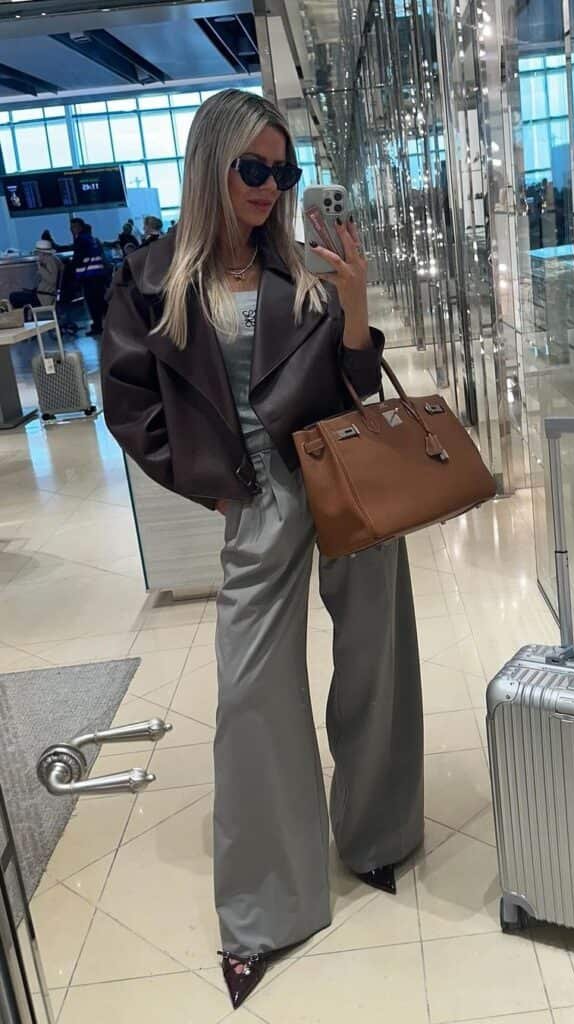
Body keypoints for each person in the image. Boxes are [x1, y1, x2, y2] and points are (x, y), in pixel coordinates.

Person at [101, 89, 423, 1011]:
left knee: (375, 656)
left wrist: (353, 302)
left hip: (343, 475)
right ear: (212, 164)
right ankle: (265, 909)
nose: (268, 187)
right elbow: (131, 402)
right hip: (257, 497)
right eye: (253, 169)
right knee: (251, 694)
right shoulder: (153, 277)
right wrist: (204, 477)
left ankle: (376, 837)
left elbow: (353, 381)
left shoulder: (300, 263)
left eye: (280, 171)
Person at [70, 218, 108, 334]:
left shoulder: (80, 240)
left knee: (93, 303)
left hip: (88, 277)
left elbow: (78, 259)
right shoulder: (93, 239)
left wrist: (72, 270)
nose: (71, 230)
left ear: (79, 227)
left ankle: (97, 327)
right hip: (99, 275)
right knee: (101, 301)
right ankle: (110, 323)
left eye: (73, 227)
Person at [9, 239, 61, 309]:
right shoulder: (53, 259)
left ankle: (24, 317)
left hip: (44, 298)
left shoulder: (50, 260)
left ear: (42, 253)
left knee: (13, 296)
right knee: (18, 295)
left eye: (37, 253)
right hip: (42, 295)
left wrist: (41, 268)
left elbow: (53, 280)